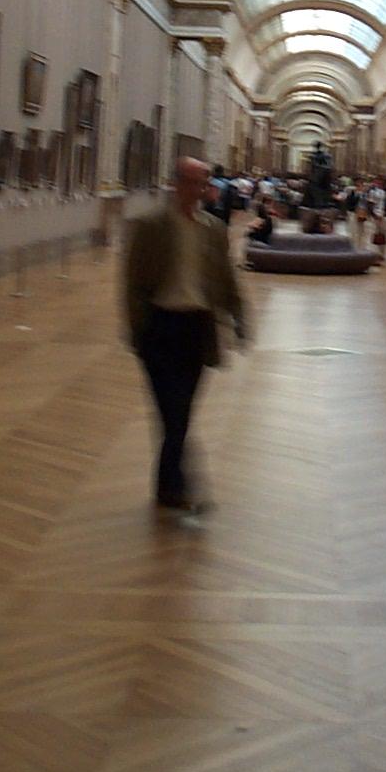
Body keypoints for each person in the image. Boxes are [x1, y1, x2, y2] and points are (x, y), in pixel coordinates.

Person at [125, 157, 247, 514]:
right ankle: (184, 484)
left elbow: (225, 277)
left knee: (181, 411)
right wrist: (138, 330)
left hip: (197, 328)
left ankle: (169, 487)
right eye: (194, 182)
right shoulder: (150, 226)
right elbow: (133, 283)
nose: (201, 189)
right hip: (160, 327)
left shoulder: (213, 228)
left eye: (204, 183)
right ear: (177, 183)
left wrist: (239, 317)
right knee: (171, 411)